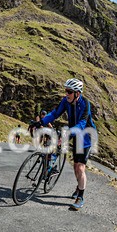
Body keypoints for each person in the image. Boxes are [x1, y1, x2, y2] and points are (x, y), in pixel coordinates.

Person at [31, 78, 96, 211]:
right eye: (66, 91)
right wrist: (41, 122)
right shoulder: (65, 101)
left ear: (77, 93)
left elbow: (82, 124)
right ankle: (52, 166)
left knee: (80, 168)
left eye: (69, 92)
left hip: (85, 136)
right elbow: (55, 114)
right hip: (73, 131)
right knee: (74, 166)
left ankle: (80, 196)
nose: (66, 94)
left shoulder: (85, 104)